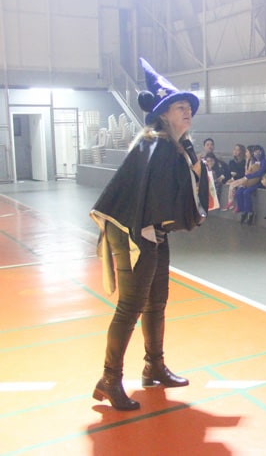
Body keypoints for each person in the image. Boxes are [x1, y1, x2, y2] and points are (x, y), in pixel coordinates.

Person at [89, 58, 209, 411]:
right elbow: (158, 195)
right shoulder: (156, 145)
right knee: (130, 306)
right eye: (180, 107)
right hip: (132, 229)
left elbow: (184, 190)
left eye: (189, 107)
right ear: (164, 113)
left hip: (152, 228)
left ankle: (153, 366)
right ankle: (109, 378)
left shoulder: (172, 145)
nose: (188, 112)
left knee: (157, 301)